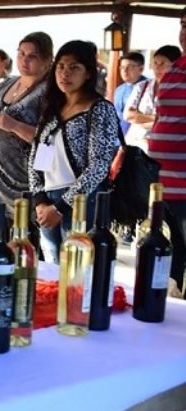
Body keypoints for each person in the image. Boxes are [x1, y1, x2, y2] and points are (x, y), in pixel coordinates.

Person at [28, 40, 118, 263]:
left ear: (88, 73)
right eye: (60, 66)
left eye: (74, 67)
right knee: (51, 269)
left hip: (81, 202)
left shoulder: (99, 109)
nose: (65, 73)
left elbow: (99, 166)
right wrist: (40, 200)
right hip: (48, 202)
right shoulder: (52, 108)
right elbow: (38, 159)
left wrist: (61, 206)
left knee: (76, 272)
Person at [0, 31, 52, 217]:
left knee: (22, 237)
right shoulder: (6, 83)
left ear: (47, 60)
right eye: (21, 54)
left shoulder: (51, 92)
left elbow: (52, 141)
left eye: (33, 56)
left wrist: (13, 125)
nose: (25, 60)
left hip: (22, 183)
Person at [148, 7, 186, 290]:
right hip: (164, 184)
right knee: (169, 252)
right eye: (183, 25)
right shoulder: (174, 69)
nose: (185, 33)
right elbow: (162, 117)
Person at [125, 45, 182, 151]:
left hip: (162, 149)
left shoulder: (179, 90)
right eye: (155, 63)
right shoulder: (142, 86)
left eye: (163, 64)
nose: (157, 67)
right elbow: (128, 115)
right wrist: (156, 119)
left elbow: (173, 124)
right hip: (134, 146)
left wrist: (141, 119)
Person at [114, 52, 147, 136]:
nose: (124, 71)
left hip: (138, 138)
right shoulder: (119, 89)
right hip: (118, 138)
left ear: (141, 69)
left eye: (130, 67)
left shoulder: (148, 88)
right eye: (122, 67)